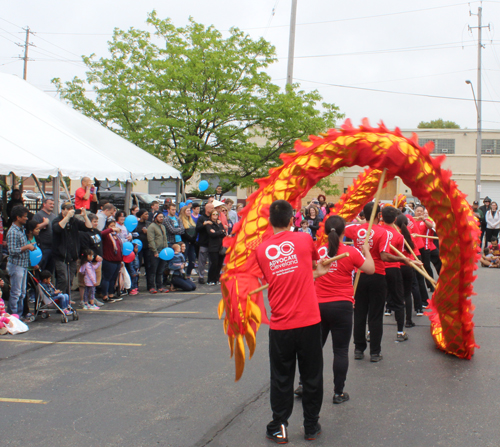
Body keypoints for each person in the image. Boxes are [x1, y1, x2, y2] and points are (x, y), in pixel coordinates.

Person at [256, 200, 329, 443]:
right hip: (309, 322)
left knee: (281, 378)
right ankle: (310, 426)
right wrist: (316, 273)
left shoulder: (261, 249)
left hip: (281, 327)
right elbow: (314, 266)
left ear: (270, 222)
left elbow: (279, 277)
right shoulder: (305, 239)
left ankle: (279, 427)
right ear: (292, 220)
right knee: (312, 376)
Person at [314, 215, 374, 404]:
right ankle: (338, 392)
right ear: (343, 232)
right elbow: (370, 269)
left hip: (318, 305)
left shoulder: (318, 251)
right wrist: (366, 251)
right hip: (342, 306)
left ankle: (304, 384)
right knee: (340, 350)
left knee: (315, 349)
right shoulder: (350, 252)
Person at [344, 202, 413, 362]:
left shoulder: (355, 229)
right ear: (378, 216)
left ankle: (358, 349)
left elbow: (341, 226)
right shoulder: (382, 232)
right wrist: (403, 259)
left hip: (360, 273)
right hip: (377, 274)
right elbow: (384, 256)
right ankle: (375, 352)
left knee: (359, 313)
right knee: (375, 314)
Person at [380, 206, 411, 341]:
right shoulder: (398, 235)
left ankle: (370, 331)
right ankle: (400, 332)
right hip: (393, 269)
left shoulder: (377, 232)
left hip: (379, 269)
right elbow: (400, 253)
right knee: (399, 300)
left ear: (381, 216)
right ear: (395, 219)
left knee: (377, 302)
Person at [52, 203, 92, 296]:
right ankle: (60, 300)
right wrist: (67, 217)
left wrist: (85, 216)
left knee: (69, 279)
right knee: (63, 279)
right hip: (60, 255)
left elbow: (89, 227)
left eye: (72, 209)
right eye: (68, 209)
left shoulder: (74, 221)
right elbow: (58, 228)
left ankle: (67, 300)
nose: (71, 211)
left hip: (72, 255)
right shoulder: (57, 220)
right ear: (63, 210)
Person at [6, 206, 35, 318]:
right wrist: (27, 247)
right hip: (16, 265)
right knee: (16, 293)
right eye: (24, 216)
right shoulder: (13, 232)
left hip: (22, 265)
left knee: (22, 293)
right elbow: (12, 251)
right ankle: (13, 316)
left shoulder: (21, 229)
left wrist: (29, 246)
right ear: (18, 217)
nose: (26, 219)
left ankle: (18, 315)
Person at [78, 213, 104, 307]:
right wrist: (94, 256)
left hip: (97, 261)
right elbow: (84, 247)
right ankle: (82, 299)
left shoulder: (97, 232)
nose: (96, 224)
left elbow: (100, 244)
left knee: (95, 281)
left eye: (97, 221)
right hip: (88, 261)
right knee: (84, 282)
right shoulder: (83, 233)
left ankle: (92, 298)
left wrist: (100, 256)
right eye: (94, 222)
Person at [100, 217, 123, 302]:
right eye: (111, 226)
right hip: (109, 260)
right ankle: (105, 295)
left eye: (114, 226)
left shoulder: (116, 236)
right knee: (107, 278)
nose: (113, 228)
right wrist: (111, 229)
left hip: (117, 260)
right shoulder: (106, 235)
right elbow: (101, 233)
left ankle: (111, 294)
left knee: (113, 278)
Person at [147, 212, 169, 294]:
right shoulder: (152, 227)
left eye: (162, 217)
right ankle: (151, 286)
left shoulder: (163, 226)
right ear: (155, 217)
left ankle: (160, 286)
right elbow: (151, 240)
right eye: (159, 217)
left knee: (160, 270)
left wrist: (166, 249)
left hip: (163, 251)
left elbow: (165, 239)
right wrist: (155, 251)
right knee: (153, 270)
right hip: (155, 251)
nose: (161, 218)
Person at [33, 197, 56, 273]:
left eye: (53, 204)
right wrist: (44, 224)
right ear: (44, 204)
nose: (52, 205)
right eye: (50, 204)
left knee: (49, 271)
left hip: (52, 247)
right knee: (41, 269)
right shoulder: (38, 215)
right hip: (43, 247)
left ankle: (48, 284)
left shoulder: (54, 216)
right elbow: (32, 228)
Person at [196, 202, 214, 284]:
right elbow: (198, 229)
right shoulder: (201, 218)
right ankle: (201, 276)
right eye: (212, 208)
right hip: (203, 242)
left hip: (212, 243)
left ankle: (210, 277)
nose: (213, 210)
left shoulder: (214, 218)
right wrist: (204, 224)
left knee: (211, 261)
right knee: (202, 261)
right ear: (207, 209)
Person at [206, 209, 226, 286]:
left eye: (216, 214)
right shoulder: (209, 224)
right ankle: (210, 279)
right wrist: (220, 232)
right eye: (213, 214)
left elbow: (224, 232)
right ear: (211, 215)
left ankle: (217, 278)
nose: (215, 216)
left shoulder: (219, 223)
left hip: (220, 246)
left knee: (219, 264)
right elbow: (211, 234)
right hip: (213, 246)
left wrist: (218, 232)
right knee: (214, 263)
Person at [179, 206, 197, 279]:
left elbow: (195, 230)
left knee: (192, 260)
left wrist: (193, 239)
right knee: (183, 259)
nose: (189, 212)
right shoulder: (181, 220)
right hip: (185, 242)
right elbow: (183, 232)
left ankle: (188, 275)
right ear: (184, 212)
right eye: (187, 211)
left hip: (192, 243)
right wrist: (190, 239)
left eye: (189, 211)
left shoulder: (191, 220)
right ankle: (182, 275)